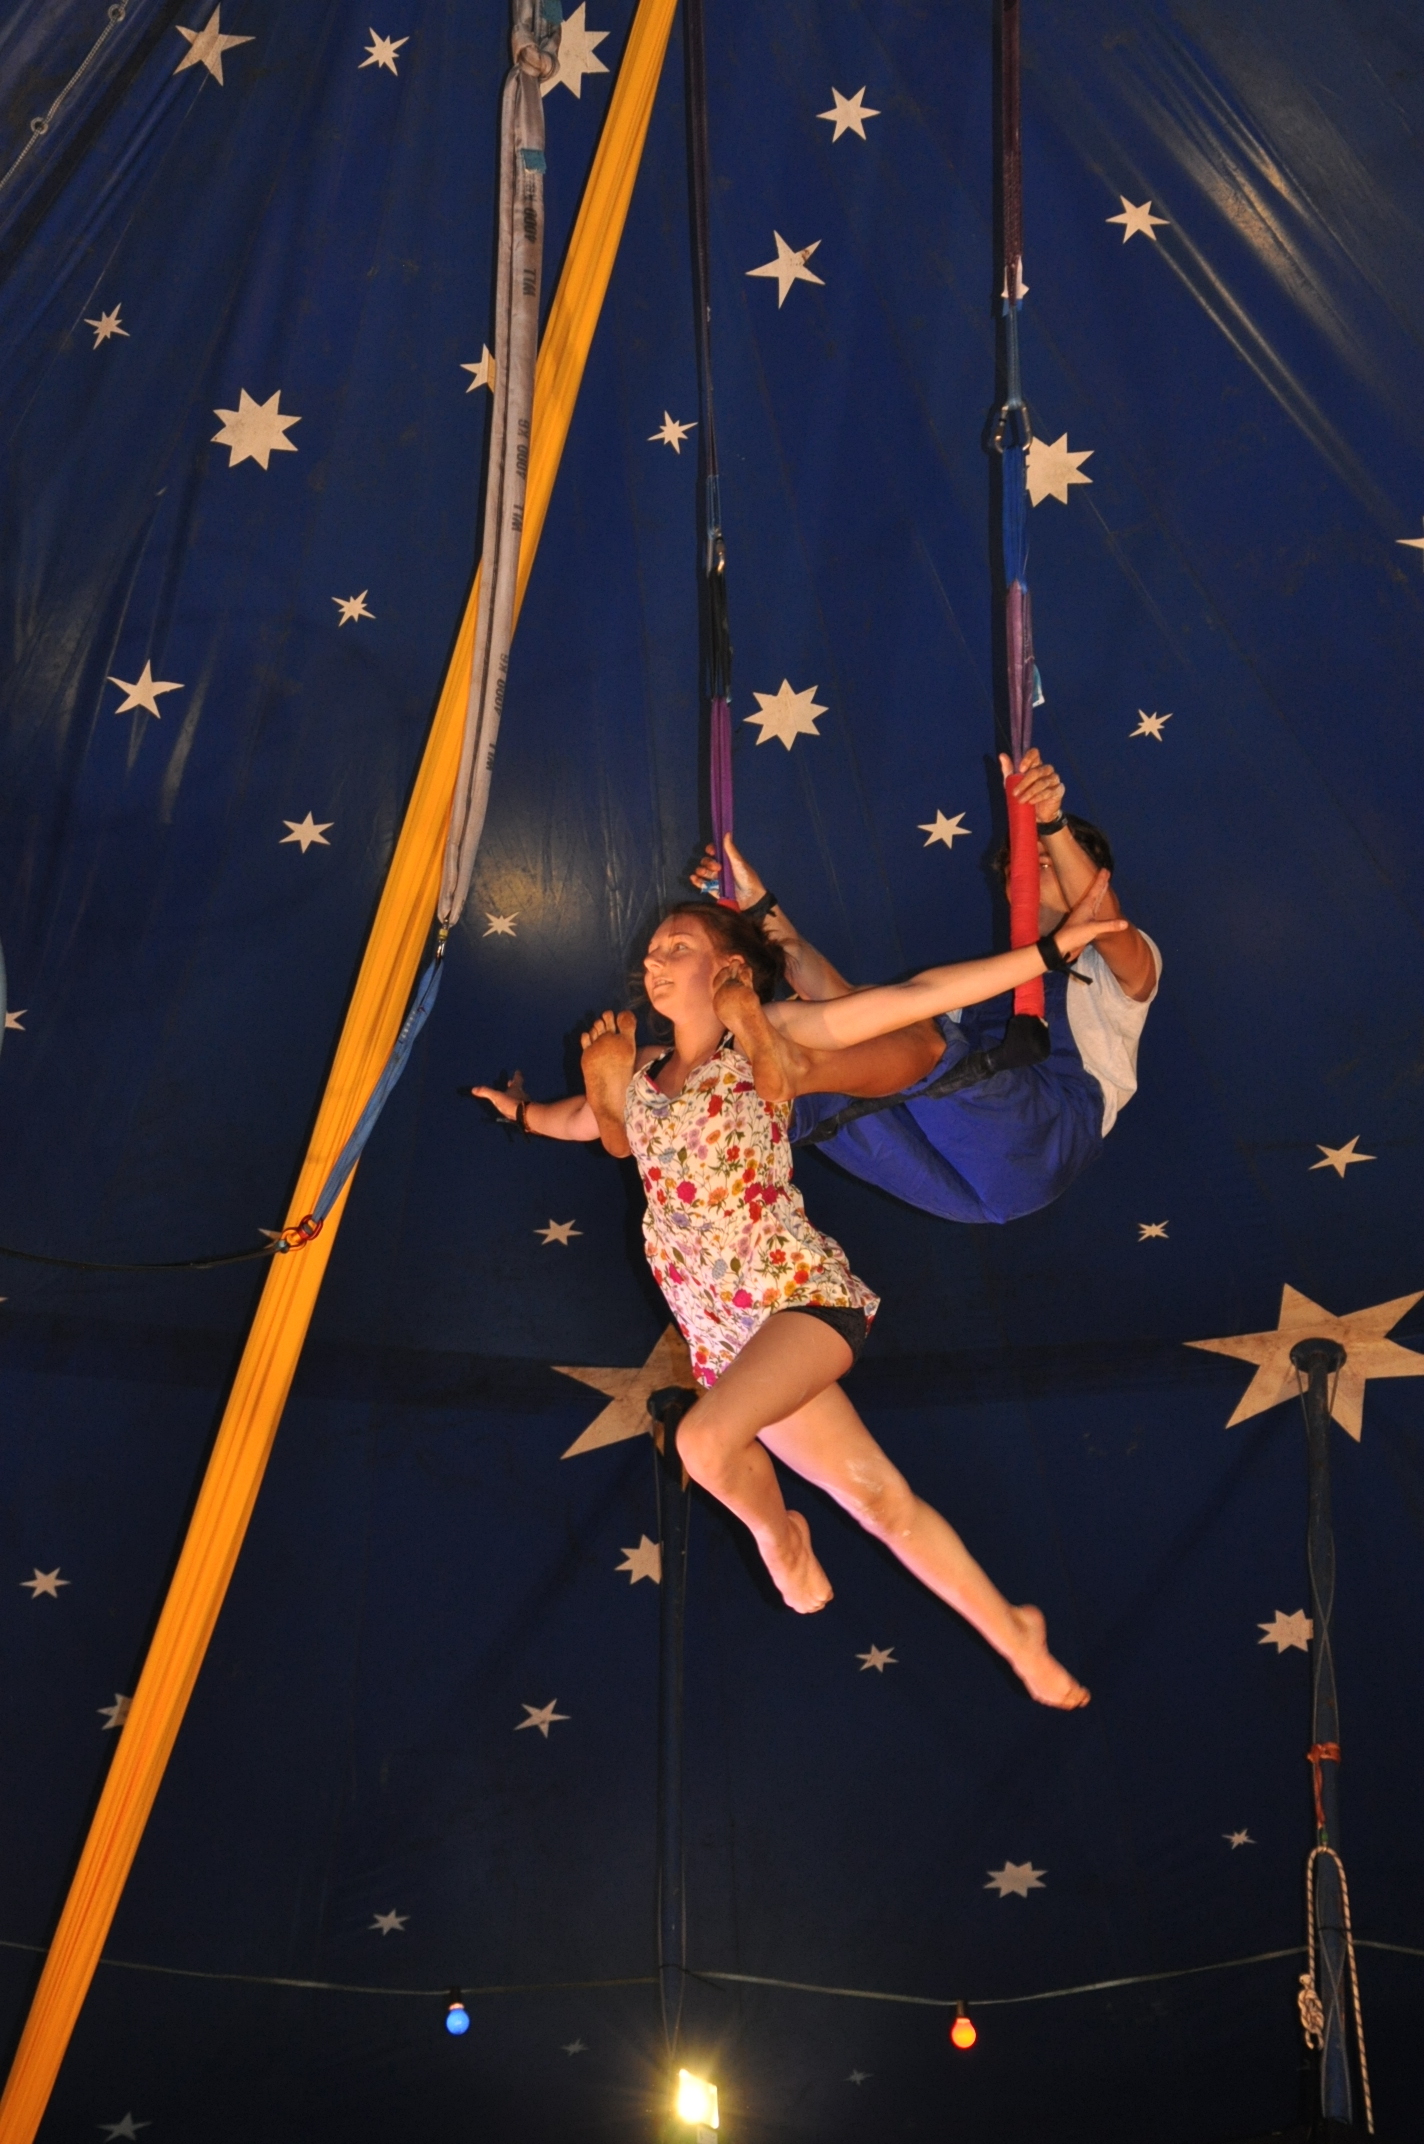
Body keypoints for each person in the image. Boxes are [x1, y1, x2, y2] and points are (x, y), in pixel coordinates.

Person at [469, 887, 1127, 1708]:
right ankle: (1013, 1631)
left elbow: (914, 998)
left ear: (731, 969)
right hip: (721, 1331)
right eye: (653, 952)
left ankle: (782, 1540)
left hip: (796, 1294)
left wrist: (1048, 953)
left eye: (677, 947)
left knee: (704, 1441)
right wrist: (521, 1112)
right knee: (878, 1497)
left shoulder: (770, 1028)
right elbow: (570, 1121)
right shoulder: (640, 1073)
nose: (654, 961)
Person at [691, 750, 1161, 1225]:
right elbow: (840, 999)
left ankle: (791, 1068)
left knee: (918, 1031)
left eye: (1049, 860)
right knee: (839, 1053)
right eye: (1022, 863)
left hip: (1040, 1140)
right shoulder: (984, 989)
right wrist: (756, 905)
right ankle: (695, 1117)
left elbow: (1107, 921)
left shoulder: (1111, 974)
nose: (1032, 867)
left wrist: (1049, 824)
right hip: (957, 1168)